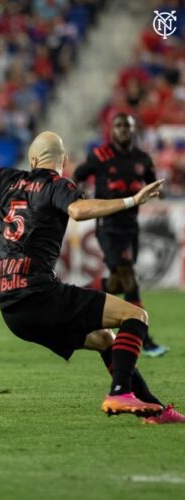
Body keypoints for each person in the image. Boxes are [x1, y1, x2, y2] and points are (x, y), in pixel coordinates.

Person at [0, 86, 183, 423]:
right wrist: (132, 201)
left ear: (32, 161)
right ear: (64, 162)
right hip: (40, 294)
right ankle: (119, 394)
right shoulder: (59, 185)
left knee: (105, 339)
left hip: (10, 307)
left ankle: (153, 409)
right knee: (136, 317)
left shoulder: (7, 180)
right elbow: (77, 211)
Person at [74, 114, 169, 358]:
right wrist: (79, 192)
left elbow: (154, 184)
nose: (123, 130)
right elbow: (79, 174)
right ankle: (144, 339)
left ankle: (79, 295)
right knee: (129, 277)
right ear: (111, 130)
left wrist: (161, 192)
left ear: (134, 129)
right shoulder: (101, 155)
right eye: (119, 126)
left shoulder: (142, 159)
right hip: (108, 224)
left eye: (127, 126)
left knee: (117, 282)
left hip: (131, 226)